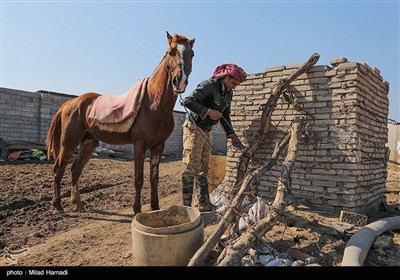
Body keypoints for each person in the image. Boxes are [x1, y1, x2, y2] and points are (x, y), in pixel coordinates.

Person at [181, 63, 247, 212]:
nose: (234, 87)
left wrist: (231, 134)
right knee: (191, 167)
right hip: (194, 127)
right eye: (233, 83)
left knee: (204, 168)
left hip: (206, 130)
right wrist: (209, 111)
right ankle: (185, 208)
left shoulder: (228, 93)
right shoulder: (209, 86)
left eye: (237, 85)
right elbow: (188, 101)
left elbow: (226, 115)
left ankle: (204, 204)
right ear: (226, 77)